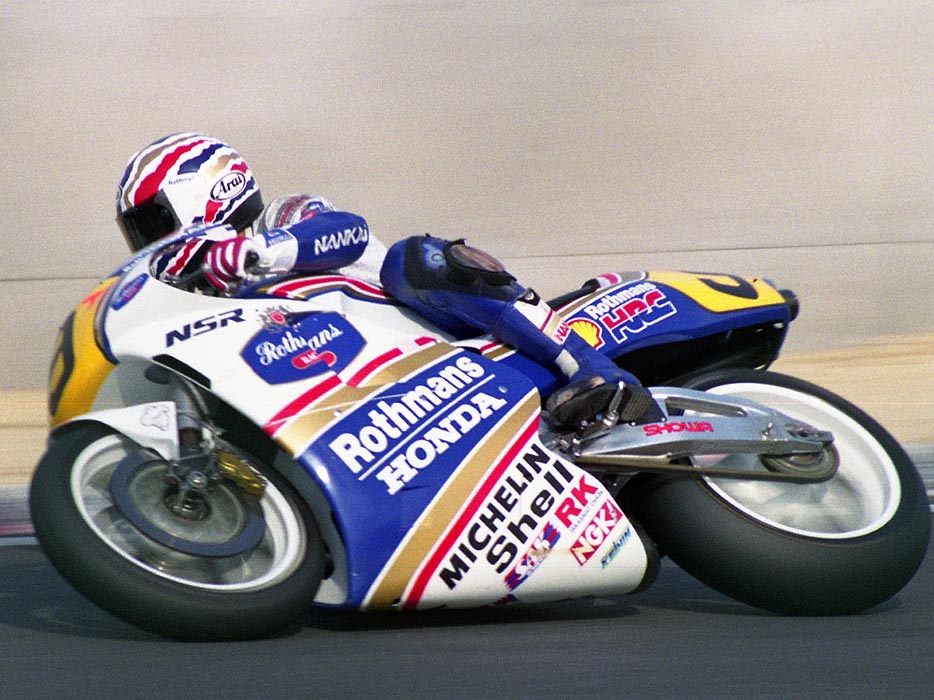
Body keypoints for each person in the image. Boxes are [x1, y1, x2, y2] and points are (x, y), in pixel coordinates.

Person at [115, 132, 659, 428]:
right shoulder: (213, 305)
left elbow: (349, 233)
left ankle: (589, 365)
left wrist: (258, 252)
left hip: (444, 338)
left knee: (413, 259)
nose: (148, 240)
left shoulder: (283, 217)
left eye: (152, 223)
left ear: (209, 191)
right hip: (378, 404)